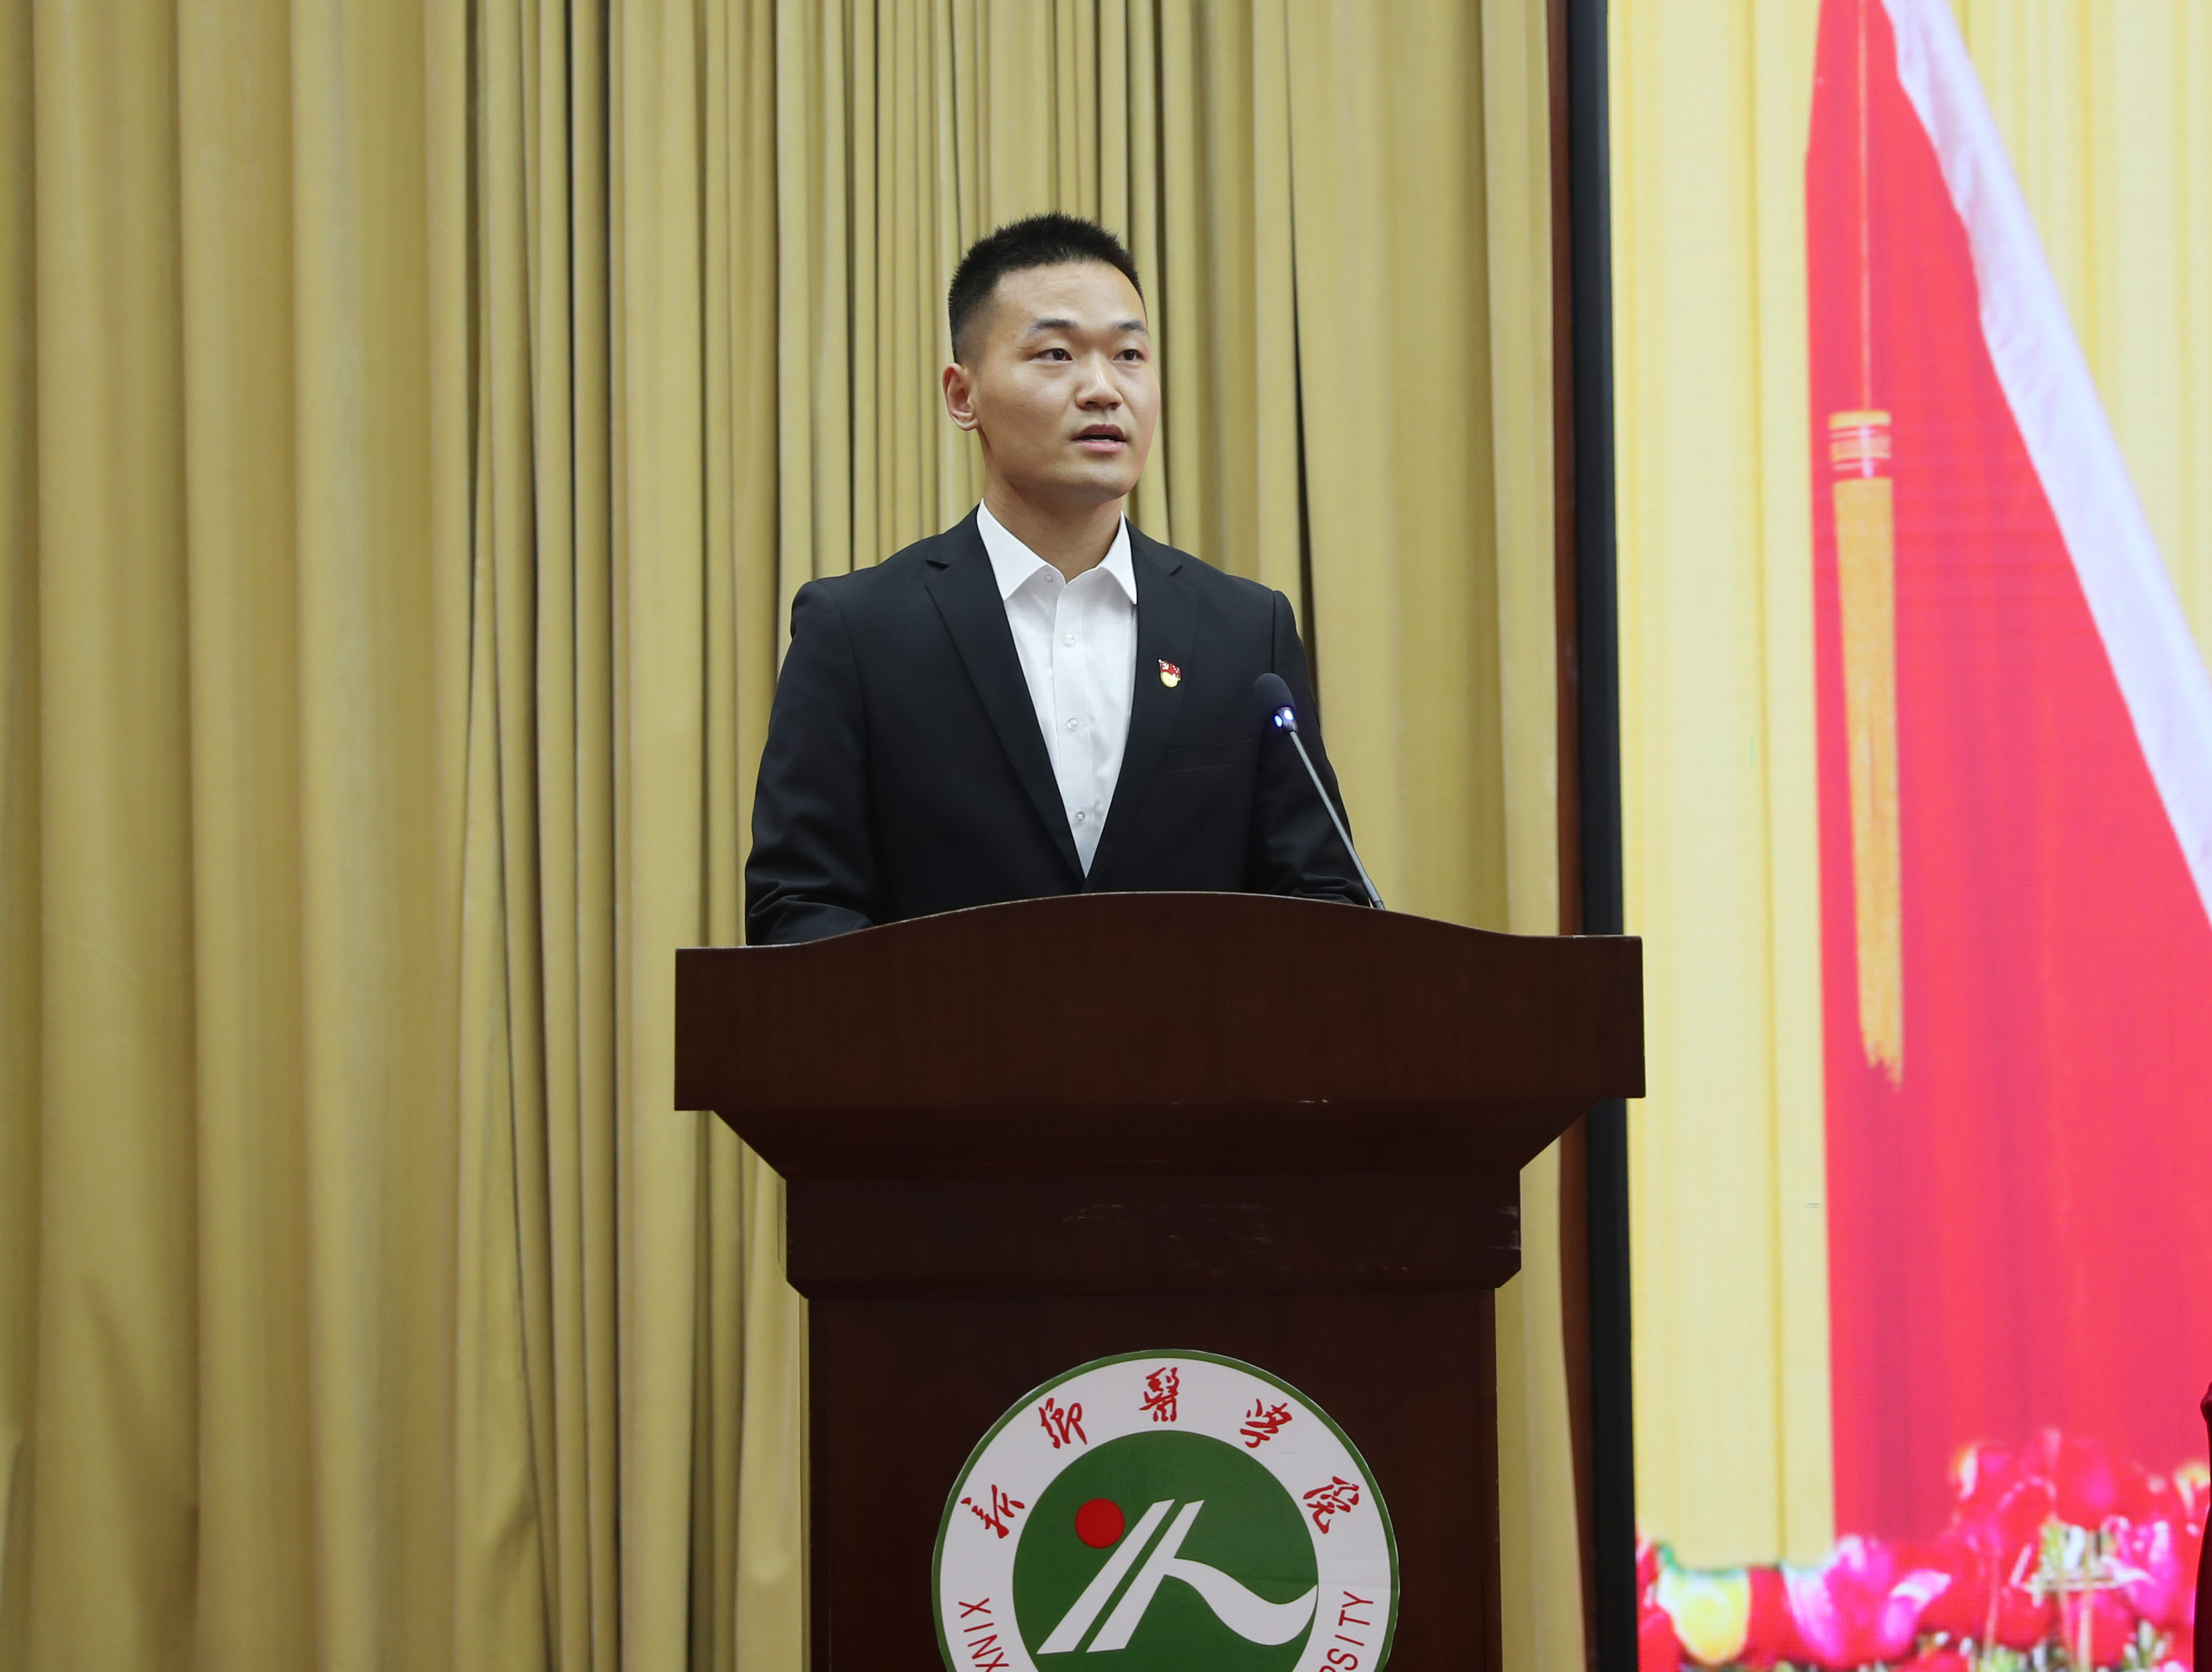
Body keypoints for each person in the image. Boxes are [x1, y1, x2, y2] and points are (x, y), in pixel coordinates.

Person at [744, 212, 1365, 945]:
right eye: (1056, 354)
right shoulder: (858, 632)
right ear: (963, 395)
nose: (1103, 389)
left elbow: (1323, 901)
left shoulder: (1246, 632)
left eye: (1129, 355)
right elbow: (798, 907)